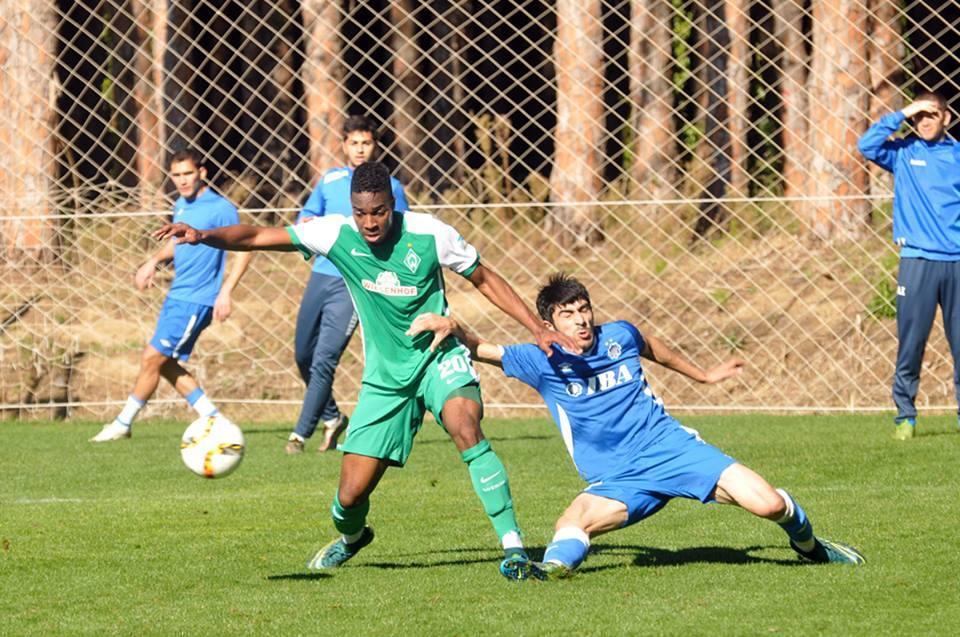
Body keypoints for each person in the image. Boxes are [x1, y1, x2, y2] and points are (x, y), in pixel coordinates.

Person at [154, 161, 578, 579]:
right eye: (361, 213)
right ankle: (353, 538)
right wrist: (204, 236)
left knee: (465, 425)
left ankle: (513, 548)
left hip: (438, 357)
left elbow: (484, 278)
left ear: (392, 204)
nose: (370, 222)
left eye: (379, 212)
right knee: (349, 497)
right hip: (385, 380)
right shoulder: (335, 233)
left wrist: (537, 328)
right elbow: (258, 235)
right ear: (351, 207)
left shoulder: (430, 234)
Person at [408, 273, 865, 579]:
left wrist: (704, 376)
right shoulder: (539, 360)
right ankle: (549, 572)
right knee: (572, 522)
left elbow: (654, 348)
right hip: (618, 478)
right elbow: (481, 348)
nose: (582, 319)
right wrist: (454, 325)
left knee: (768, 504)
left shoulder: (619, 336)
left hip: (672, 450)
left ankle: (811, 547)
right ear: (548, 323)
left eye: (584, 308)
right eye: (568, 313)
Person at [90, 148, 252, 442]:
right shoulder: (180, 205)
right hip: (177, 295)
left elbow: (245, 249)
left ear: (202, 173)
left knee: (152, 357)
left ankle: (122, 423)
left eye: (188, 173)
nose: (182, 180)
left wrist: (226, 291)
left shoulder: (220, 208)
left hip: (197, 299)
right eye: (176, 175)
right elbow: (177, 242)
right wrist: (153, 261)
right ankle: (214, 418)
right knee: (163, 362)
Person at [286, 115, 410, 455]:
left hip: (355, 283)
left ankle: (299, 435)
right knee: (303, 355)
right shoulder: (330, 180)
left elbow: (403, 232)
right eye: (354, 143)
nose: (360, 149)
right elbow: (305, 217)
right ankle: (332, 417)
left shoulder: (392, 188)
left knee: (324, 358)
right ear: (344, 145)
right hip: (321, 275)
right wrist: (306, 223)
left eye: (366, 143)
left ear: (375, 146)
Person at [858, 91, 960, 440]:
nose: (924, 122)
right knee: (911, 343)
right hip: (917, 262)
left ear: (946, 118)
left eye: (931, 115)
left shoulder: (956, 155)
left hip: (957, 262)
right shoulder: (904, 153)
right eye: (919, 117)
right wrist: (903, 112)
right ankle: (906, 415)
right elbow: (866, 145)